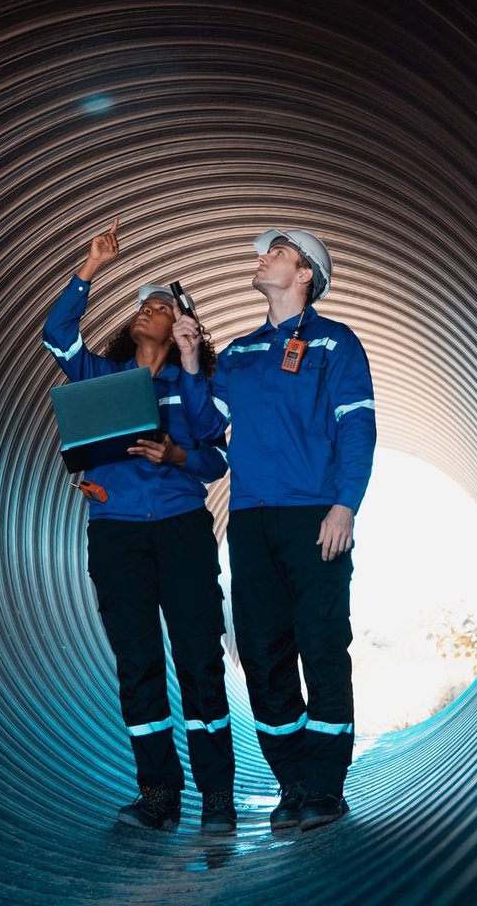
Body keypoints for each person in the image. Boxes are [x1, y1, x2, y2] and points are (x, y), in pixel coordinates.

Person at [173, 228, 376, 832]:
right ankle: (291, 783)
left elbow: (357, 430)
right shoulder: (237, 354)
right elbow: (208, 426)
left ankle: (325, 788)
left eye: (278, 253)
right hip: (252, 520)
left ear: (306, 273)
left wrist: (344, 507)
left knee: (321, 648)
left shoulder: (335, 344)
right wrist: (190, 363)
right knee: (262, 655)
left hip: (315, 517)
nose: (264, 259)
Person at [40, 218, 236, 833]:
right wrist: (90, 266)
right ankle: (159, 797)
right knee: (138, 665)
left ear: (181, 327)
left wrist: (175, 453)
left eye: (160, 305)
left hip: (180, 528)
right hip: (117, 533)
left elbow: (213, 451)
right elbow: (55, 335)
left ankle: (217, 798)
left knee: (201, 661)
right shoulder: (102, 379)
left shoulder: (192, 384)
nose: (146, 307)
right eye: (143, 304)